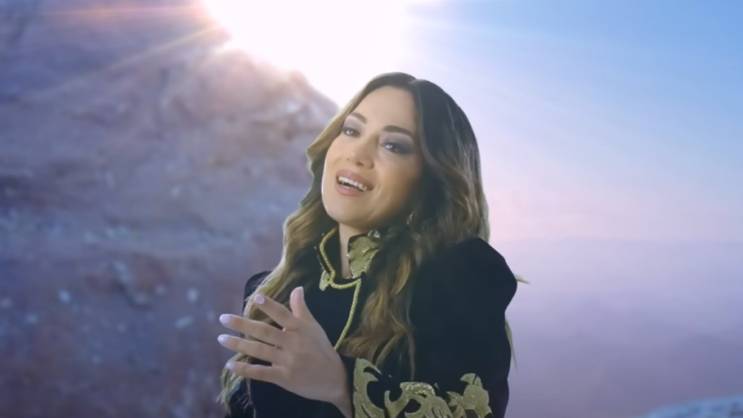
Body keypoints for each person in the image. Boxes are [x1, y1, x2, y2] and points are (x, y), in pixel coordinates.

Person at [216, 72, 522, 418]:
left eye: (393, 146)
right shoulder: (275, 291)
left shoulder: (463, 274)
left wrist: (340, 383)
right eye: (351, 130)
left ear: (431, 181)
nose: (357, 154)